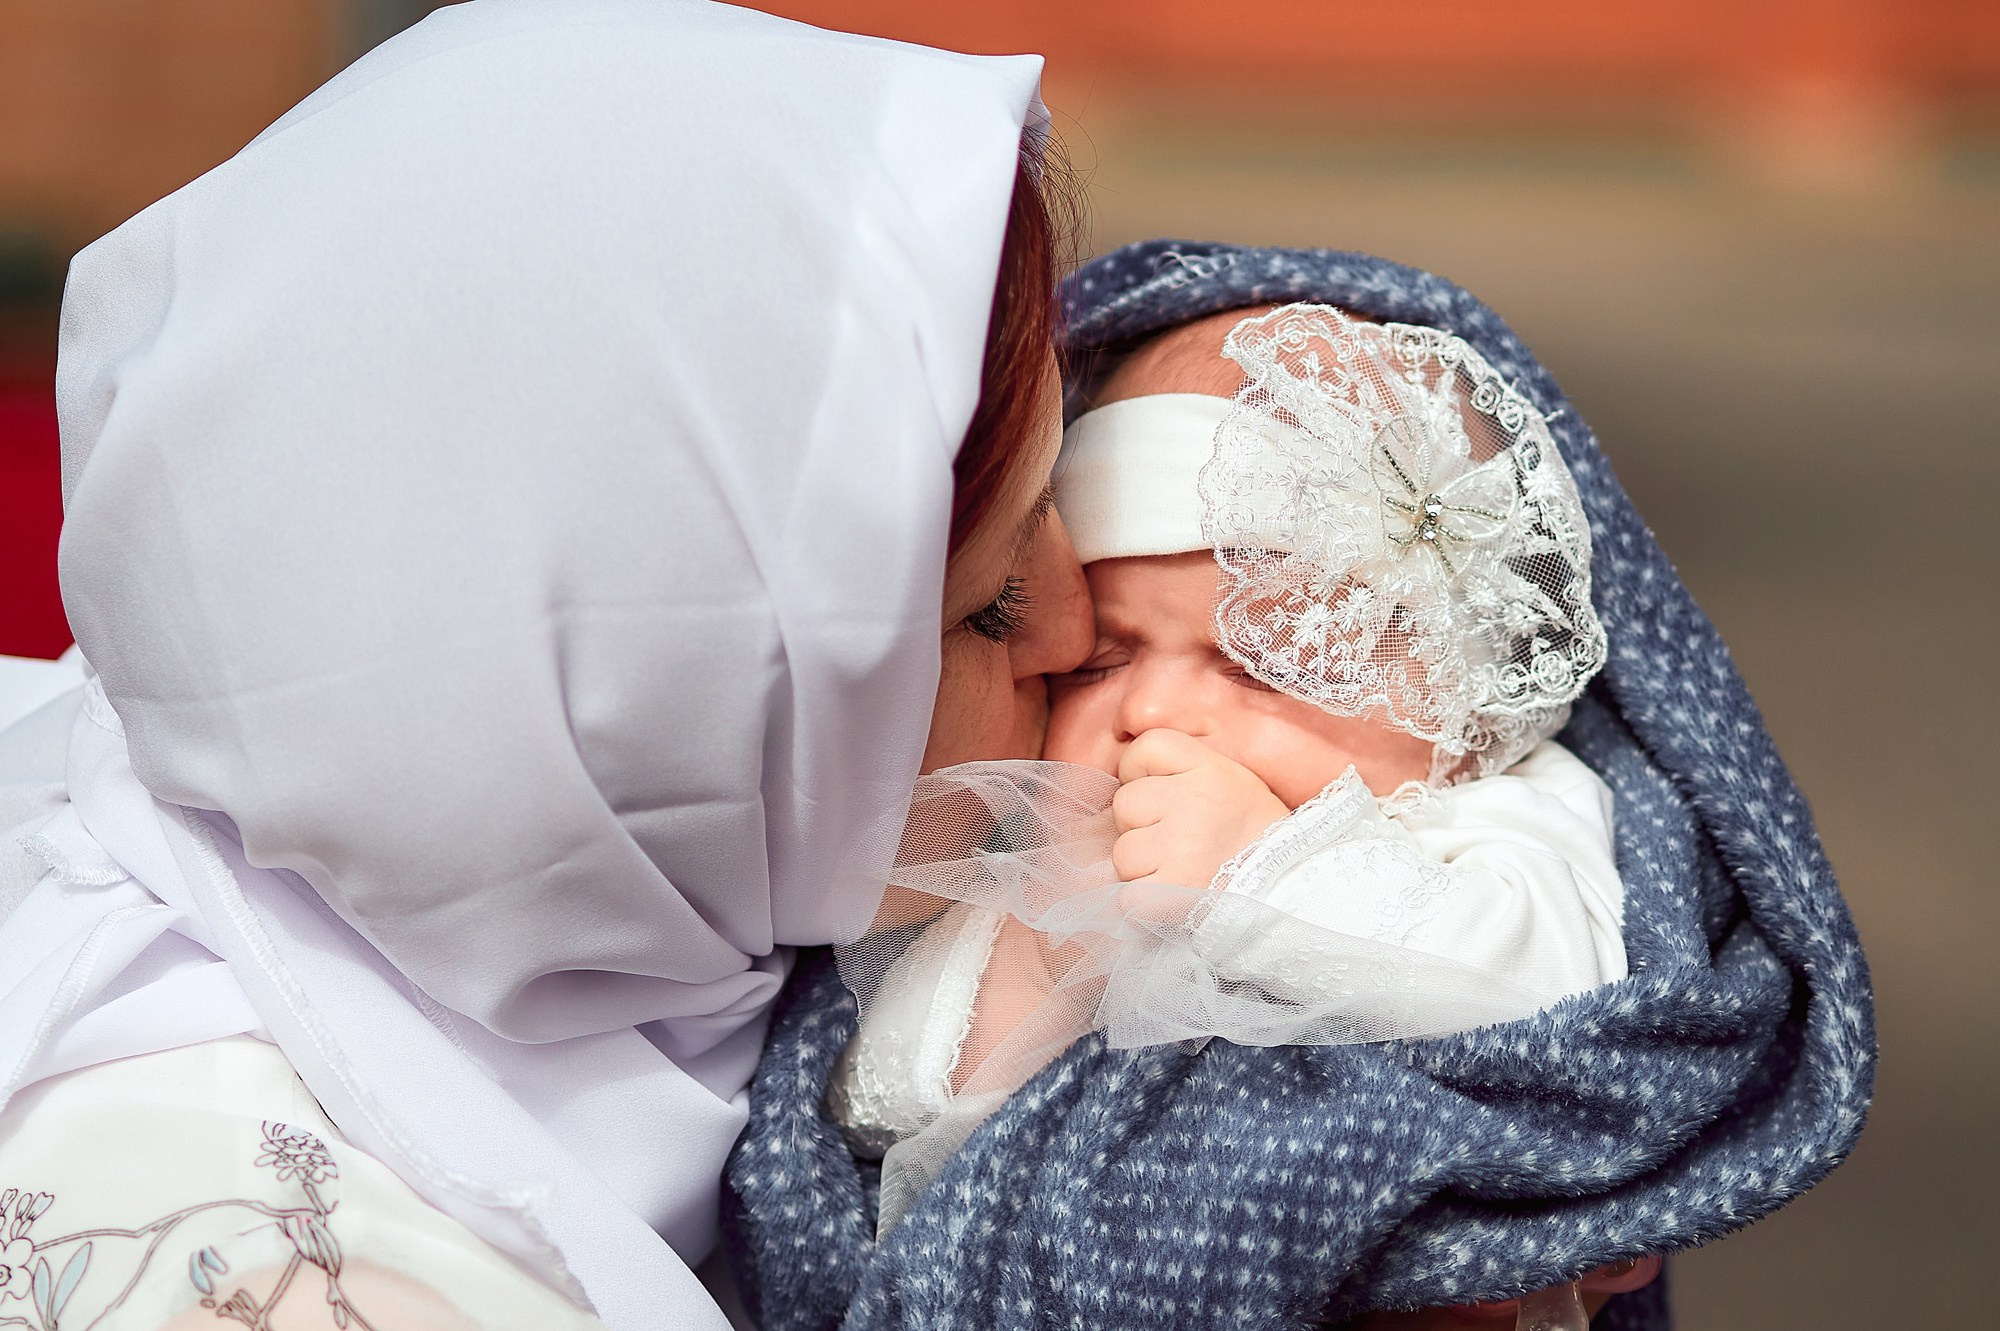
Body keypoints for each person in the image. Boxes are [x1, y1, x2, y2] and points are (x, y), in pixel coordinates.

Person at [0, 2, 1086, 1328]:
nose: (1080, 626)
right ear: (657, 707)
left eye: (1067, 486)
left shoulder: (595, 964)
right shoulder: (284, 1266)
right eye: (992, 604)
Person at [826, 300, 1636, 1200]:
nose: (1152, 710)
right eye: (1100, 661)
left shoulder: (1489, 812)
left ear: (1452, 690)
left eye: (1261, 664)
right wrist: (1051, 951)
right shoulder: (1050, 854)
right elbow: (877, 1105)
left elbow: (1576, 1008)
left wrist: (1271, 870)